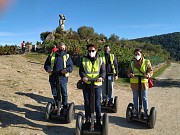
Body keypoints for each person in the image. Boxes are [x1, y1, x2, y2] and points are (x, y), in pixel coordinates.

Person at [79, 44, 106, 127]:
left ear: (96, 50)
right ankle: (87, 119)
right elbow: (81, 70)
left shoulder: (100, 60)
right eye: (89, 51)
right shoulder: (84, 59)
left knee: (97, 103)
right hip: (87, 84)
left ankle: (98, 120)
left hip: (97, 84)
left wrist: (101, 77)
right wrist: (83, 77)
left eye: (93, 51)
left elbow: (103, 71)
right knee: (87, 103)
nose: (91, 52)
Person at [44, 42, 73, 115]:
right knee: (55, 93)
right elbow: (46, 64)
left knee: (64, 93)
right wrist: (48, 69)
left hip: (62, 78)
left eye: (63, 47)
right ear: (58, 47)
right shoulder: (52, 55)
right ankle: (57, 105)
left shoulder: (67, 56)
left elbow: (70, 67)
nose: (62, 48)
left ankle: (65, 107)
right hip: (53, 77)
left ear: (65, 47)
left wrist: (66, 70)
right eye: (61, 47)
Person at [127, 48, 153, 119]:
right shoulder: (132, 63)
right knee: (135, 97)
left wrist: (148, 75)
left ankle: (145, 112)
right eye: (135, 54)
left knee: (144, 97)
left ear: (141, 54)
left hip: (143, 82)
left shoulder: (147, 62)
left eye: (138, 54)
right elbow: (128, 72)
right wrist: (130, 74)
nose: (137, 55)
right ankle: (135, 111)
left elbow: (150, 71)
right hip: (134, 82)